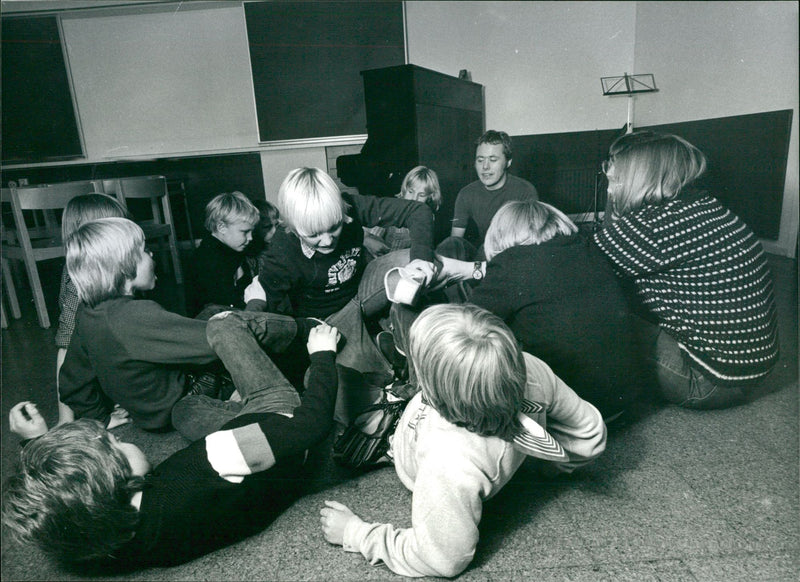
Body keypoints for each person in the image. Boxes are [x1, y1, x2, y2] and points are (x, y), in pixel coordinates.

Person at [3, 319, 341, 571]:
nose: (120, 437)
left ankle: (248, 395)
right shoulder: (213, 460)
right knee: (223, 326)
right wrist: (323, 356)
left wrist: (37, 443)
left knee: (184, 409)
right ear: (114, 480)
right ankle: (317, 338)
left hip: (246, 466)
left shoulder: (101, 537)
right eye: (115, 445)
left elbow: (58, 507)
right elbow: (312, 425)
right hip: (281, 429)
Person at [320, 303, 606, 578]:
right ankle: (399, 379)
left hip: (399, 441)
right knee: (401, 312)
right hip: (433, 409)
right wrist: (541, 468)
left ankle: (388, 417)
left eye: (423, 371)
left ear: (434, 394)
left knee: (324, 377)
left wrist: (356, 534)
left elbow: (443, 560)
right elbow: (591, 432)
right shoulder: (529, 369)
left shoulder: (449, 463)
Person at [592, 131, 779, 410]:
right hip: (749, 372)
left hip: (706, 381)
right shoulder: (703, 206)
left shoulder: (653, 226)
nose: (608, 179)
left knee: (585, 309)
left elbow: (573, 268)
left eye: (614, 171)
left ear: (640, 175)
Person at [256, 167, 437, 422]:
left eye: (334, 227)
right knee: (343, 400)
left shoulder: (350, 204)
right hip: (326, 325)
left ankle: (422, 380)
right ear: (293, 228)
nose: (328, 240)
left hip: (361, 293)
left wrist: (421, 259)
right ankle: (385, 357)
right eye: (314, 235)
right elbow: (280, 323)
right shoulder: (280, 255)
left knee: (406, 263)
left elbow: (417, 210)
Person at [57, 217, 267, 435]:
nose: (152, 255)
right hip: (188, 397)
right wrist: (256, 303)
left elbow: (72, 383)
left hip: (150, 410)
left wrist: (99, 418)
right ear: (125, 267)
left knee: (213, 311)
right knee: (242, 326)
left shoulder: (88, 311)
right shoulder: (135, 315)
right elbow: (228, 340)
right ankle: (302, 331)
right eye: (145, 251)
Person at [468, 199, 648, 419]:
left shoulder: (511, 263)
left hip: (569, 410)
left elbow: (462, 326)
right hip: (621, 403)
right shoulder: (588, 249)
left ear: (500, 235)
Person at [54, 193, 130, 426]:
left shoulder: (113, 267)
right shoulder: (78, 282)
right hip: (91, 363)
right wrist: (65, 419)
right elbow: (65, 350)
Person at [440, 130, 539, 260]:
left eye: (493, 159)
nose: (485, 167)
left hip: (513, 255)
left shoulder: (525, 191)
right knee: (451, 244)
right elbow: (455, 241)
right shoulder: (466, 193)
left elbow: (531, 242)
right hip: (483, 254)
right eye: (480, 160)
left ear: (508, 162)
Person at [188, 191, 261, 318]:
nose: (250, 238)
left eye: (251, 232)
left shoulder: (232, 251)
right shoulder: (209, 260)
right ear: (221, 227)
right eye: (245, 232)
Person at [362, 166, 441, 260]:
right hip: (377, 261)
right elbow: (371, 241)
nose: (414, 199)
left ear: (430, 196)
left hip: (404, 263)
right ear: (404, 189)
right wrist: (368, 239)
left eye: (421, 195)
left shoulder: (428, 216)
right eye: (410, 192)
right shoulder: (393, 209)